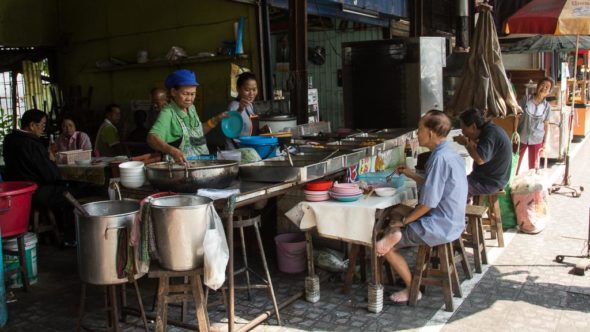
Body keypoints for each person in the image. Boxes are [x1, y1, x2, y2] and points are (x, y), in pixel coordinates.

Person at [375, 110, 468, 303]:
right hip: (452, 219)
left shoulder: (438, 159)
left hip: (440, 224)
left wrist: (404, 222)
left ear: (431, 133)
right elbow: (434, 184)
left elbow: (428, 203)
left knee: (384, 246)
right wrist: (410, 174)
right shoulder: (449, 152)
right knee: (396, 210)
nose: (417, 135)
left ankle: (412, 289)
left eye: (419, 130)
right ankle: (397, 236)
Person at [3, 109, 87, 246]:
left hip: (18, 193)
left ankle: (58, 235)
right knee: (72, 193)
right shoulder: (33, 144)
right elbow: (50, 174)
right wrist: (52, 161)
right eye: (42, 125)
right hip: (36, 192)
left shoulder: (9, 140)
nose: (43, 128)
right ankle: (70, 238)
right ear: (31, 125)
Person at [147, 69, 227, 162]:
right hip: (181, 168)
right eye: (185, 94)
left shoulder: (191, 108)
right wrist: (172, 151)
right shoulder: (168, 112)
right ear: (173, 92)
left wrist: (216, 119)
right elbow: (151, 138)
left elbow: (198, 134)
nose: (189, 98)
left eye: (193, 94)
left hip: (202, 163)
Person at [453, 108, 512, 197]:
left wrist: (466, 143)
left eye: (464, 129)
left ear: (473, 127)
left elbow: (480, 159)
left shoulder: (490, 134)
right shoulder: (488, 130)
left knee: (455, 188)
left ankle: (462, 208)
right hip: (485, 177)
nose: (463, 133)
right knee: (456, 182)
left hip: (491, 182)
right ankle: (465, 204)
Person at [516, 77, 553, 174]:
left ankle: (531, 187)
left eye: (547, 87)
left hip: (537, 139)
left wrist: (545, 142)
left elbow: (546, 125)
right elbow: (517, 117)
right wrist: (515, 132)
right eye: (542, 85)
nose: (544, 88)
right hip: (521, 136)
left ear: (549, 92)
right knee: (514, 162)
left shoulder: (547, 107)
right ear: (537, 86)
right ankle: (509, 185)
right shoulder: (526, 99)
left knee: (534, 167)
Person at [226, 72, 258, 149]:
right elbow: (231, 127)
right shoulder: (234, 106)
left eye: (254, 89)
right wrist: (240, 110)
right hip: (236, 152)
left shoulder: (250, 105)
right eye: (247, 90)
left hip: (247, 149)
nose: (251, 93)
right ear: (238, 89)